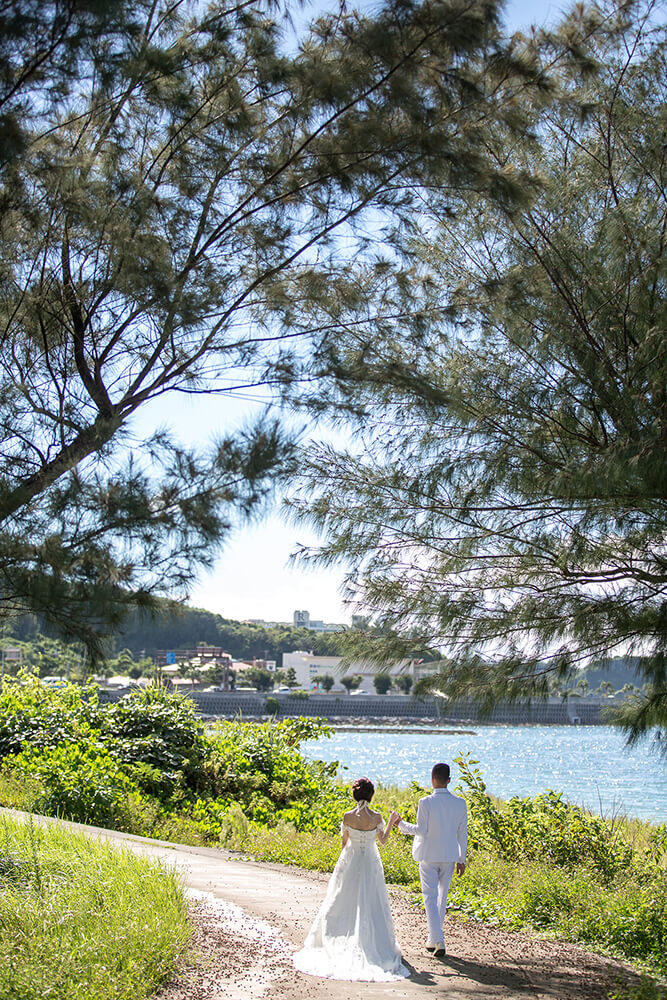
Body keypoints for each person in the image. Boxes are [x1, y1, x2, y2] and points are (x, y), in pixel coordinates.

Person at [292, 776, 409, 981]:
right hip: (370, 863)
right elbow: (382, 841)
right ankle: (373, 943)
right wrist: (390, 822)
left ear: (355, 794)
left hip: (351, 861)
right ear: (371, 795)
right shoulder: (376, 817)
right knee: (371, 902)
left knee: (342, 900)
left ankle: (337, 937)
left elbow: (344, 844)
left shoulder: (347, 816)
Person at [391, 762, 467, 958]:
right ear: (449, 780)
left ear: (432, 779)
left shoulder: (425, 802)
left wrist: (401, 824)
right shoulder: (460, 803)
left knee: (430, 897)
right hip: (450, 855)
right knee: (441, 898)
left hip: (428, 855)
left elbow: (421, 831)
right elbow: (462, 834)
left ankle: (438, 939)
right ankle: (433, 938)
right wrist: (462, 858)